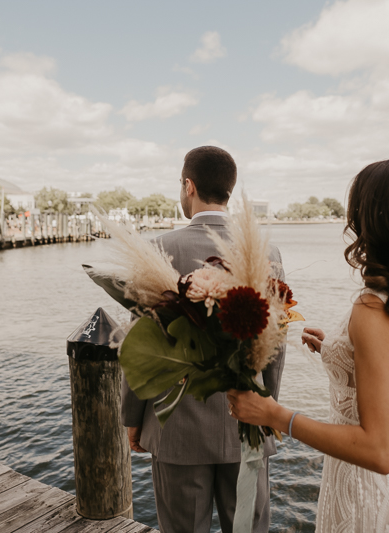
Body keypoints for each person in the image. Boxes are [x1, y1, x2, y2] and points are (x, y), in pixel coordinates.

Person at [227, 158, 389, 532]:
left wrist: (276, 415)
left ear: (380, 220)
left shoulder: (373, 309)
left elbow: (377, 450)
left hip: (373, 499)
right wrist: (342, 352)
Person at [122, 146, 286, 533]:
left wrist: (133, 418)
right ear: (228, 190)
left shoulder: (159, 249)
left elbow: (137, 345)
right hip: (247, 423)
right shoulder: (267, 250)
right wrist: (269, 407)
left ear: (189, 185)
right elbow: (274, 344)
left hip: (176, 429)